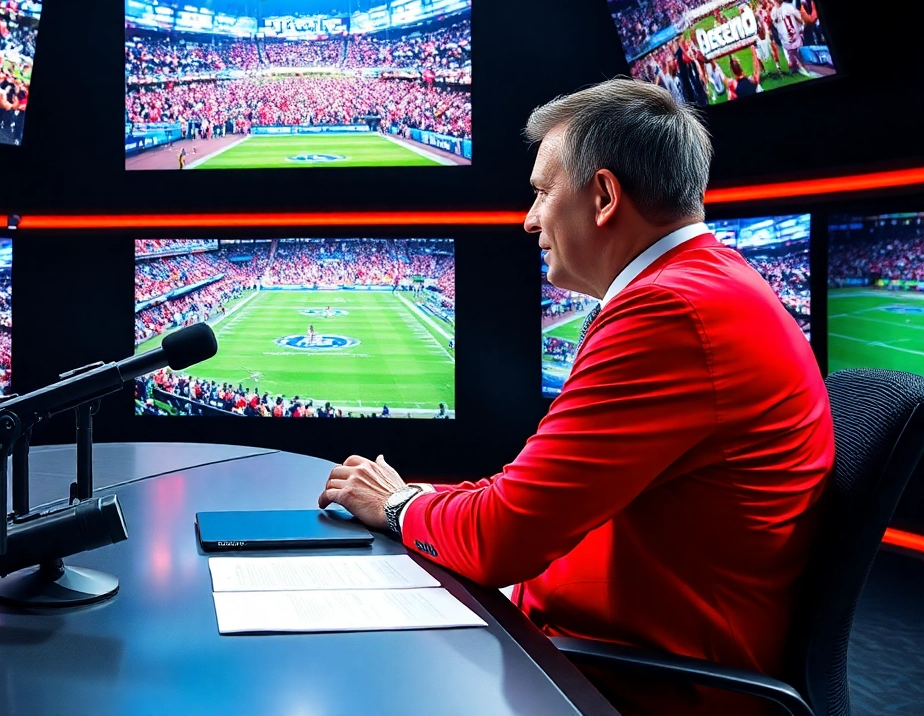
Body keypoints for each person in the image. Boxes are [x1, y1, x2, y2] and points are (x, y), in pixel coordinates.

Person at [317, 78, 833, 716]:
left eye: (542, 192)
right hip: (607, 651)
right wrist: (421, 498)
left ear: (604, 196)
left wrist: (399, 507)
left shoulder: (668, 312)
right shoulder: (704, 287)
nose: (529, 218)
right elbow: (529, 497)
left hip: (632, 685)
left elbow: (504, 537)